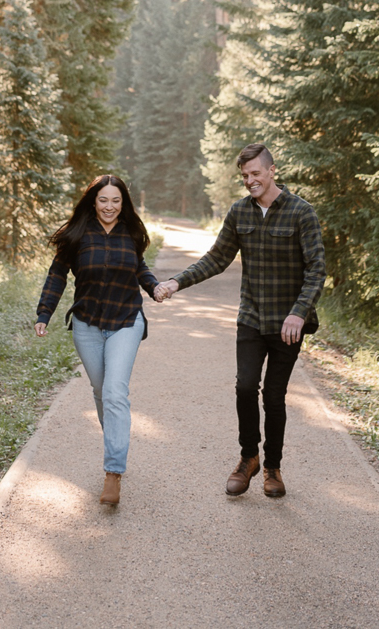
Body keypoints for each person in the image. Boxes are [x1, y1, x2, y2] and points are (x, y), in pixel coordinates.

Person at [153, 142, 325, 499]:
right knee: (246, 387)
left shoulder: (301, 213)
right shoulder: (239, 213)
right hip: (251, 317)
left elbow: (316, 270)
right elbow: (216, 258)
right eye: (245, 176)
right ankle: (249, 458)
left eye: (256, 174)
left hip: (287, 324)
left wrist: (298, 312)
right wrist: (176, 282)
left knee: (274, 397)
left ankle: (273, 468)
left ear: (272, 170)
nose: (250, 181)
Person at [34, 174, 160, 507]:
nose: (109, 206)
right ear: (94, 201)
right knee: (102, 392)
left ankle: (113, 471)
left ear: (124, 203)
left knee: (116, 391)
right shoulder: (76, 236)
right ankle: (115, 444)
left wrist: (154, 286)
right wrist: (44, 313)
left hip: (125, 320)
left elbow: (140, 268)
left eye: (116, 200)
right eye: (103, 200)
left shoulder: (132, 232)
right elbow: (57, 275)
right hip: (87, 323)